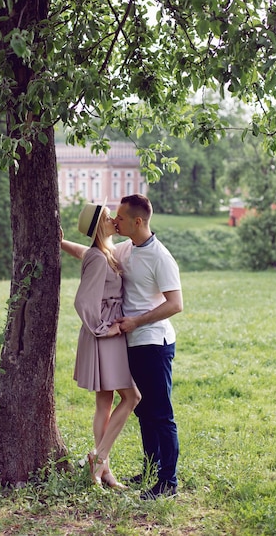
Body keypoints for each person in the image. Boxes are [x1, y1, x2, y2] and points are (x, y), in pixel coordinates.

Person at [62, 194, 183, 500]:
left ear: (137, 221)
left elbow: (176, 304)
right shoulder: (125, 248)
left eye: (120, 217)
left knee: (158, 413)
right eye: (110, 217)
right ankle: (149, 469)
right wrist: (61, 243)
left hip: (152, 340)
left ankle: (167, 481)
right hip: (125, 339)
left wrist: (135, 322)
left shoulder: (160, 257)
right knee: (143, 410)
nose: (115, 220)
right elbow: (94, 255)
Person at [62, 200, 141, 489]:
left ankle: (102, 468)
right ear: (100, 226)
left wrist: (62, 243)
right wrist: (103, 330)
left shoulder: (105, 251)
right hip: (104, 334)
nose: (114, 221)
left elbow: (84, 252)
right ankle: (100, 459)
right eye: (109, 218)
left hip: (110, 332)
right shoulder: (98, 256)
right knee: (131, 397)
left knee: (105, 402)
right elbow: (83, 300)